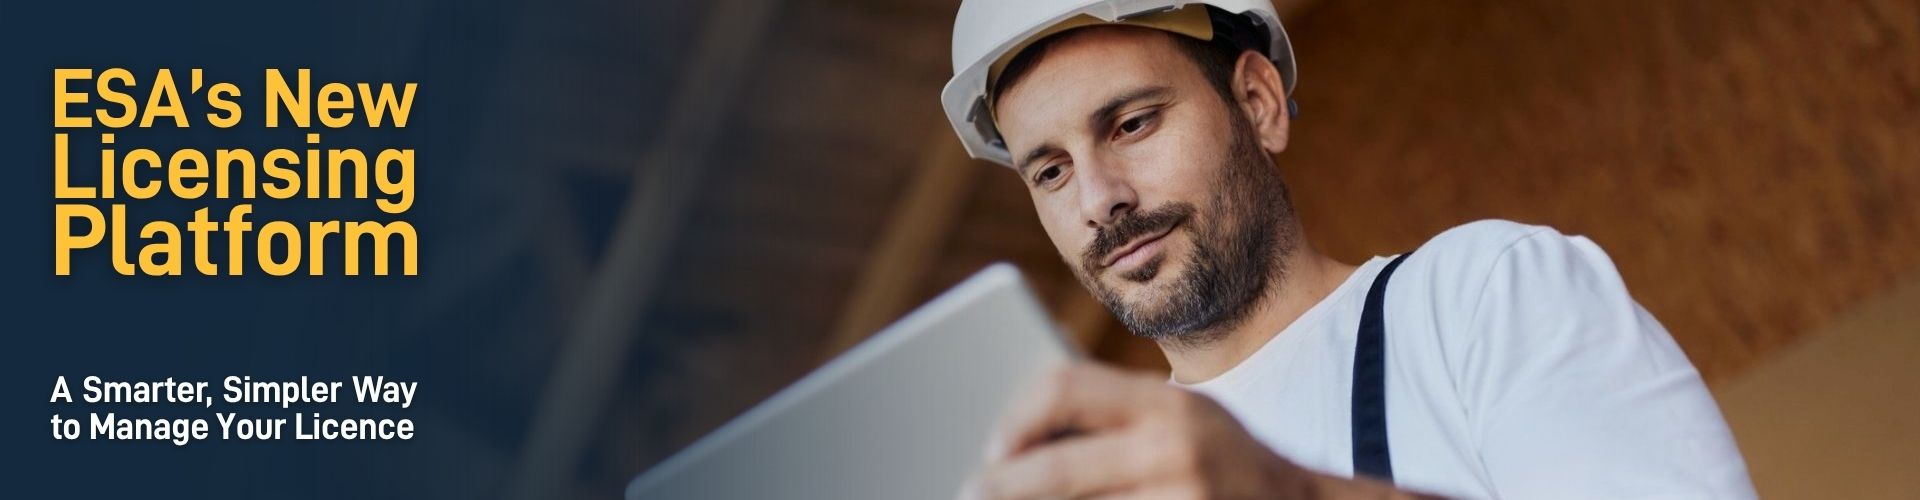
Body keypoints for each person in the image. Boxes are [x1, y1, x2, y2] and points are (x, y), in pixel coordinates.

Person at [938, 1, 1757, 498]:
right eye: (1051, 171)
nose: (1099, 200)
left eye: (1131, 123)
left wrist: (1291, 494)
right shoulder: (1096, 475)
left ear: (1258, 102)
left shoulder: (1480, 299)